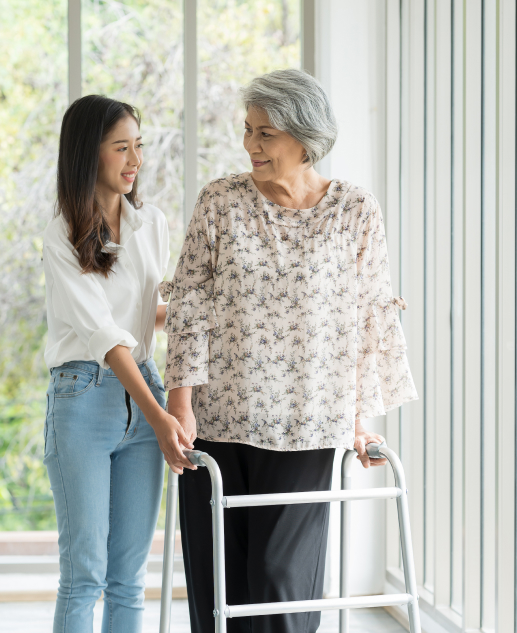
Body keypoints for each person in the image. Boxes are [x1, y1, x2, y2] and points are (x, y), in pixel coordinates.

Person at [160, 68, 418, 633]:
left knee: (279, 580)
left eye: (266, 134)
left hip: (308, 424)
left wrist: (356, 416)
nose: (250, 145)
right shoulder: (220, 203)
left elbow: (367, 316)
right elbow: (189, 308)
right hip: (218, 421)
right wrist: (180, 404)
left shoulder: (355, 211)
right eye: (248, 130)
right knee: (218, 584)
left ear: (305, 138)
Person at [42, 95, 194, 633]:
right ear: (89, 153)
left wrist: (208, 311)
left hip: (143, 387)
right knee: (85, 574)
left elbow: (141, 315)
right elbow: (105, 335)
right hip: (84, 397)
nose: (136, 160)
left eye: (139, 146)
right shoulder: (62, 233)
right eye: (121, 147)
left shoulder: (149, 222)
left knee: (129, 576)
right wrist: (159, 415)